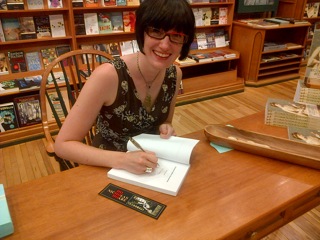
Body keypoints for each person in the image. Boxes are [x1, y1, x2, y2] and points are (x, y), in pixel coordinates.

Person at [54, 0, 195, 174]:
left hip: (150, 168)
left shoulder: (174, 75)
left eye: (177, 35)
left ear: (184, 41)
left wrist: (165, 127)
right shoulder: (108, 76)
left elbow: (165, 121)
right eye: (156, 31)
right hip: (104, 167)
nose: (165, 45)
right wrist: (122, 160)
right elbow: (63, 145)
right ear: (141, 32)